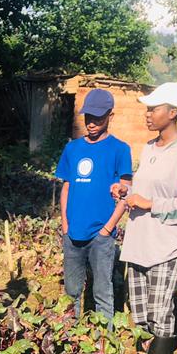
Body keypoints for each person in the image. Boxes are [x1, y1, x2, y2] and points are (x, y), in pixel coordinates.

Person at [118, 83, 177, 354]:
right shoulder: (149, 148)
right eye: (148, 109)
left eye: (154, 109)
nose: (148, 114)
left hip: (168, 243)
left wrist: (151, 203)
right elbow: (143, 190)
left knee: (159, 307)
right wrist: (127, 191)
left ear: (173, 112)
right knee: (139, 309)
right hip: (140, 239)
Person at [54, 88, 133, 322]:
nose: (91, 123)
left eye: (98, 117)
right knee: (71, 292)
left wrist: (107, 229)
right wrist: (66, 226)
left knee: (102, 292)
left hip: (102, 235)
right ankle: (70, 340)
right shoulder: (73, 148)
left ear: (111, 115)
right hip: (73, 233)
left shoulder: (120, 149)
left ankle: (103, 344)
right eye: (88, 116)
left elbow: (125, 192)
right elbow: (66, 188)